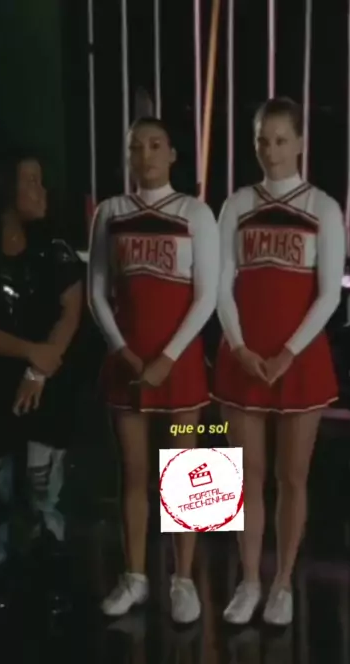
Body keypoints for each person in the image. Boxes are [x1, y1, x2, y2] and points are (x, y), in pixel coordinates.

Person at [213, 97, 346, 626]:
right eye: (262, 140)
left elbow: (329, 293)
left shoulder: (323, 208)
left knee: (292, 477)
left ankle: (283, 583)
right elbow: (221, 285)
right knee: (242, 475)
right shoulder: (236, 205)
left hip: (300, 360)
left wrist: (289, 353)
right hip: (242, 356)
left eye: (281, 140)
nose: (271, 150)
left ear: (301, 143)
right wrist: (239, 348)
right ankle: (248, 580)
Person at [88, 117, 220, 625]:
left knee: (189, 473)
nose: (145, 155)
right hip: (127, 363)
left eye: (155, 145)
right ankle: (135, 577)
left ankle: (185, 579)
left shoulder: (195, 212)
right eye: (135, 147)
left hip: (180, 365)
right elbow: (98, 292)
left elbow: (206, 295)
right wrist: (122, 350)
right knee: (133, 473)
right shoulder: (110, 212)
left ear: (173, 154)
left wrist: (169, 357)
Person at [0, 150, 83, 578]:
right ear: (4, 188)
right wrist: (28, 352)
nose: (41, 190)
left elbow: (72, 311)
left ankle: (50, 555)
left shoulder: (54, 250)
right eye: (31, 181)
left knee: (42, 481)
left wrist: (38, 368)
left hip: (46, 386)